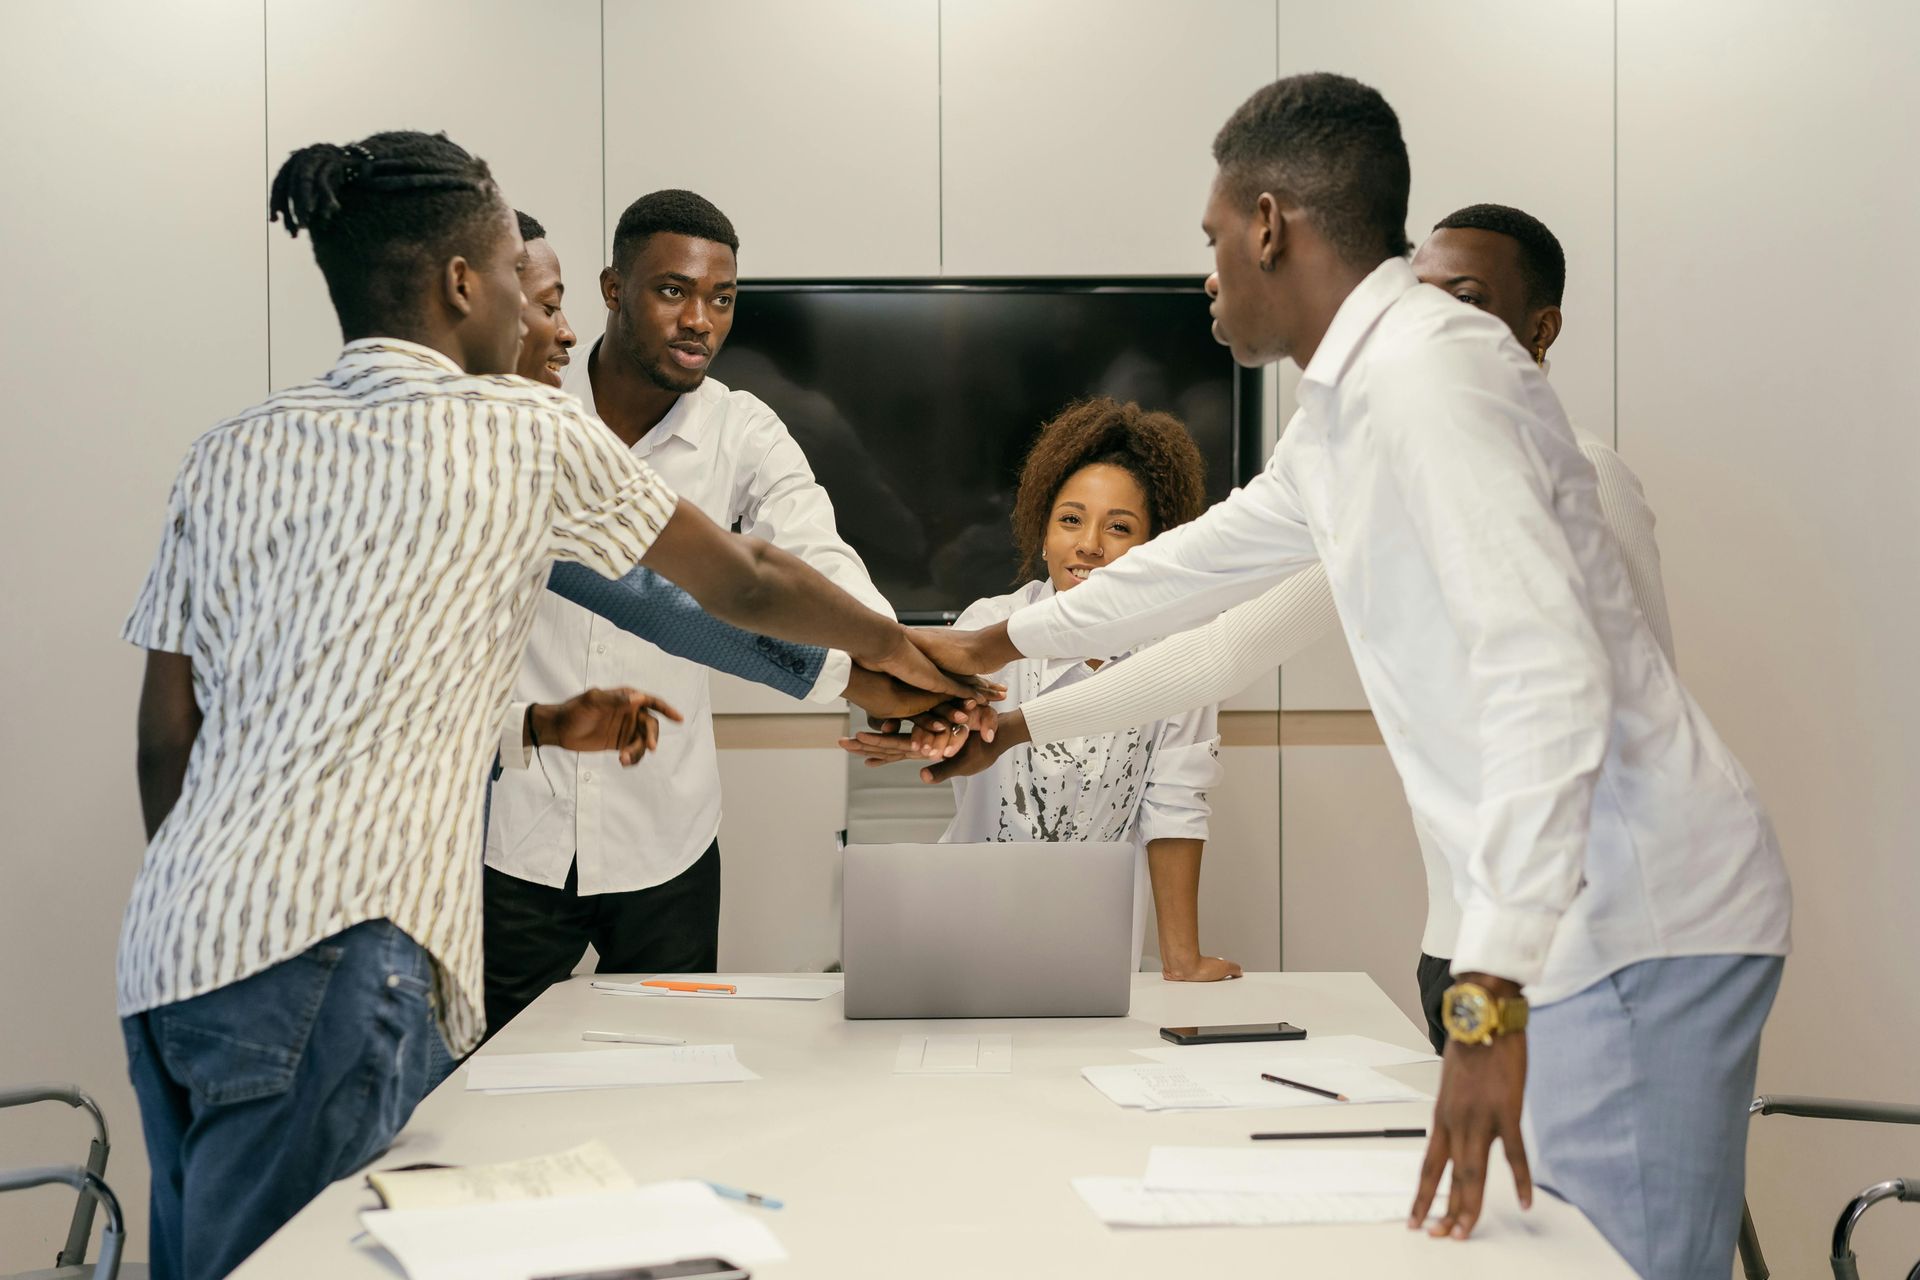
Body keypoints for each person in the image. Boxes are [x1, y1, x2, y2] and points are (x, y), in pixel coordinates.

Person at [906, 75, 1791, 1278]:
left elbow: (1551, 683)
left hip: (1632, 921)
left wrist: (1483, 1003)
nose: (1207, 270)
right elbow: (1199, 578)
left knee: (1616, 1268)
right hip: (1572, 929)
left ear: (1270, 222)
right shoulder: (1346, 410)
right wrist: (998, 647)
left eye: (1212, 236)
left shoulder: (1431, 379)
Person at [120, 130, 969, 1280]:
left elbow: (168, 734)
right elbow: (734, 585)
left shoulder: (226, 453)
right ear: (465, 285)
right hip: (341, 942)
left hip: (172, 948)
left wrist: (226, 900)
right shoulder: (522, 426)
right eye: (526, 282)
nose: (542, 313)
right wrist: (901, 648)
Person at [865, 202, 1676, 1052]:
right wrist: (1015, 721)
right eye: (1424, 301)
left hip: (1601, 942)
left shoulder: (1583, 478)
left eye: (1466, 301)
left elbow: (1636, 742)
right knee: (1506, 1182)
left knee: (1620, 1187)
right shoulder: (1382, 496)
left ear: (1540, 329)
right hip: (1464, 948)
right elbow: (1217, 643)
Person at [482, 210, 942, 1033]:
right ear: (613, 291)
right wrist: (889, 673)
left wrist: (901, 668)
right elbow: (695, 600)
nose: (701, 320)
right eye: (673, 292)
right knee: (484, 1082)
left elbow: (813, 553)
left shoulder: (743, 428)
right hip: (514, 827)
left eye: (723, 298)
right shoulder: (529, 417)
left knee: (670, 1080)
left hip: (665, 834)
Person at [848, 397, 1238, 980]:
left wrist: (1181, 959)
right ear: (1044, 527)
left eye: (1120, 527)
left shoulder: (1179, 655)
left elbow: (1176, 807)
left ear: (1155, 546)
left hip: (1095, 947)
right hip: (963, 931)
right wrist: (927, 728)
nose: (1089, 545)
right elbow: (924, 706)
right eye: (1071, 520)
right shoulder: (988, 625)